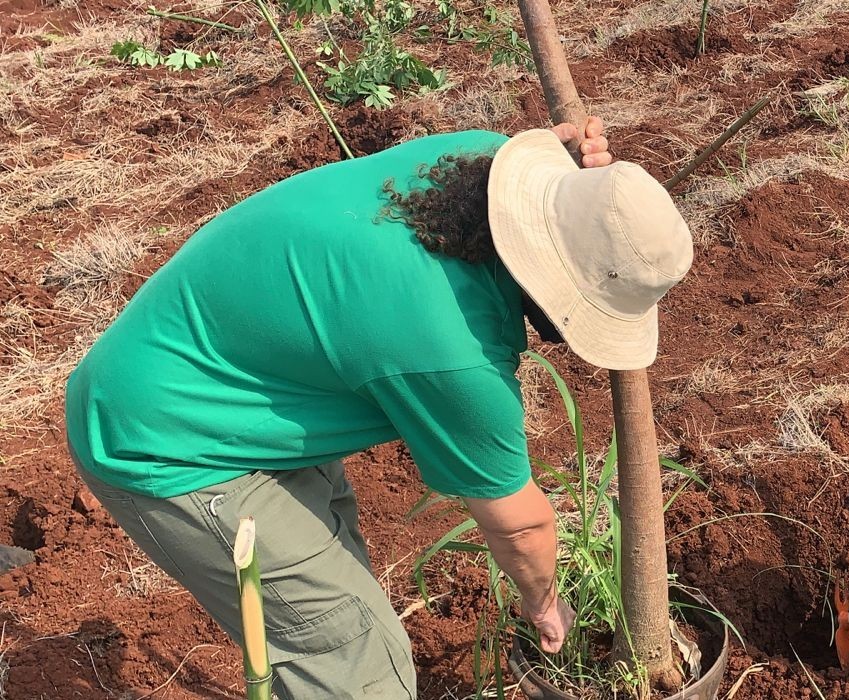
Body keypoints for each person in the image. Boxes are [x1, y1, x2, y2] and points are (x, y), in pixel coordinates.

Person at [64, 118, 695, 698]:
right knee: (357, 655)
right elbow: (520, 525)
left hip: (240, 372)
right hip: (167, 439)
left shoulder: (476, 157)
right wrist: (545, 603)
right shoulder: (453, 352)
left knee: (330, 592)